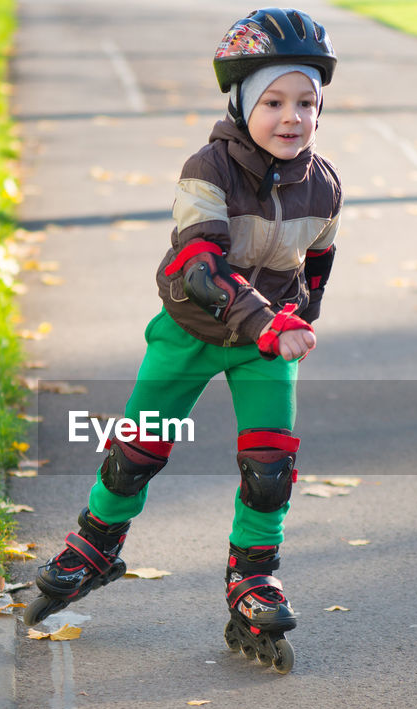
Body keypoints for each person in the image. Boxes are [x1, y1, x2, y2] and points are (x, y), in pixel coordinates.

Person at [24, 8, 341, 675]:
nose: (293, 117)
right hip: (192, 330)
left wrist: (302, 314)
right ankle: (96, 545)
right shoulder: (209, 169)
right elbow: (196, 266)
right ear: (242, 102)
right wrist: (267, 321)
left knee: (270, 466)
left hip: (265, 342)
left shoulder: (325, 183)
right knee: (137, 449)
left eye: (307, 102)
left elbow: (317, 258)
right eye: (275, 101)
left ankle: (253, 576)